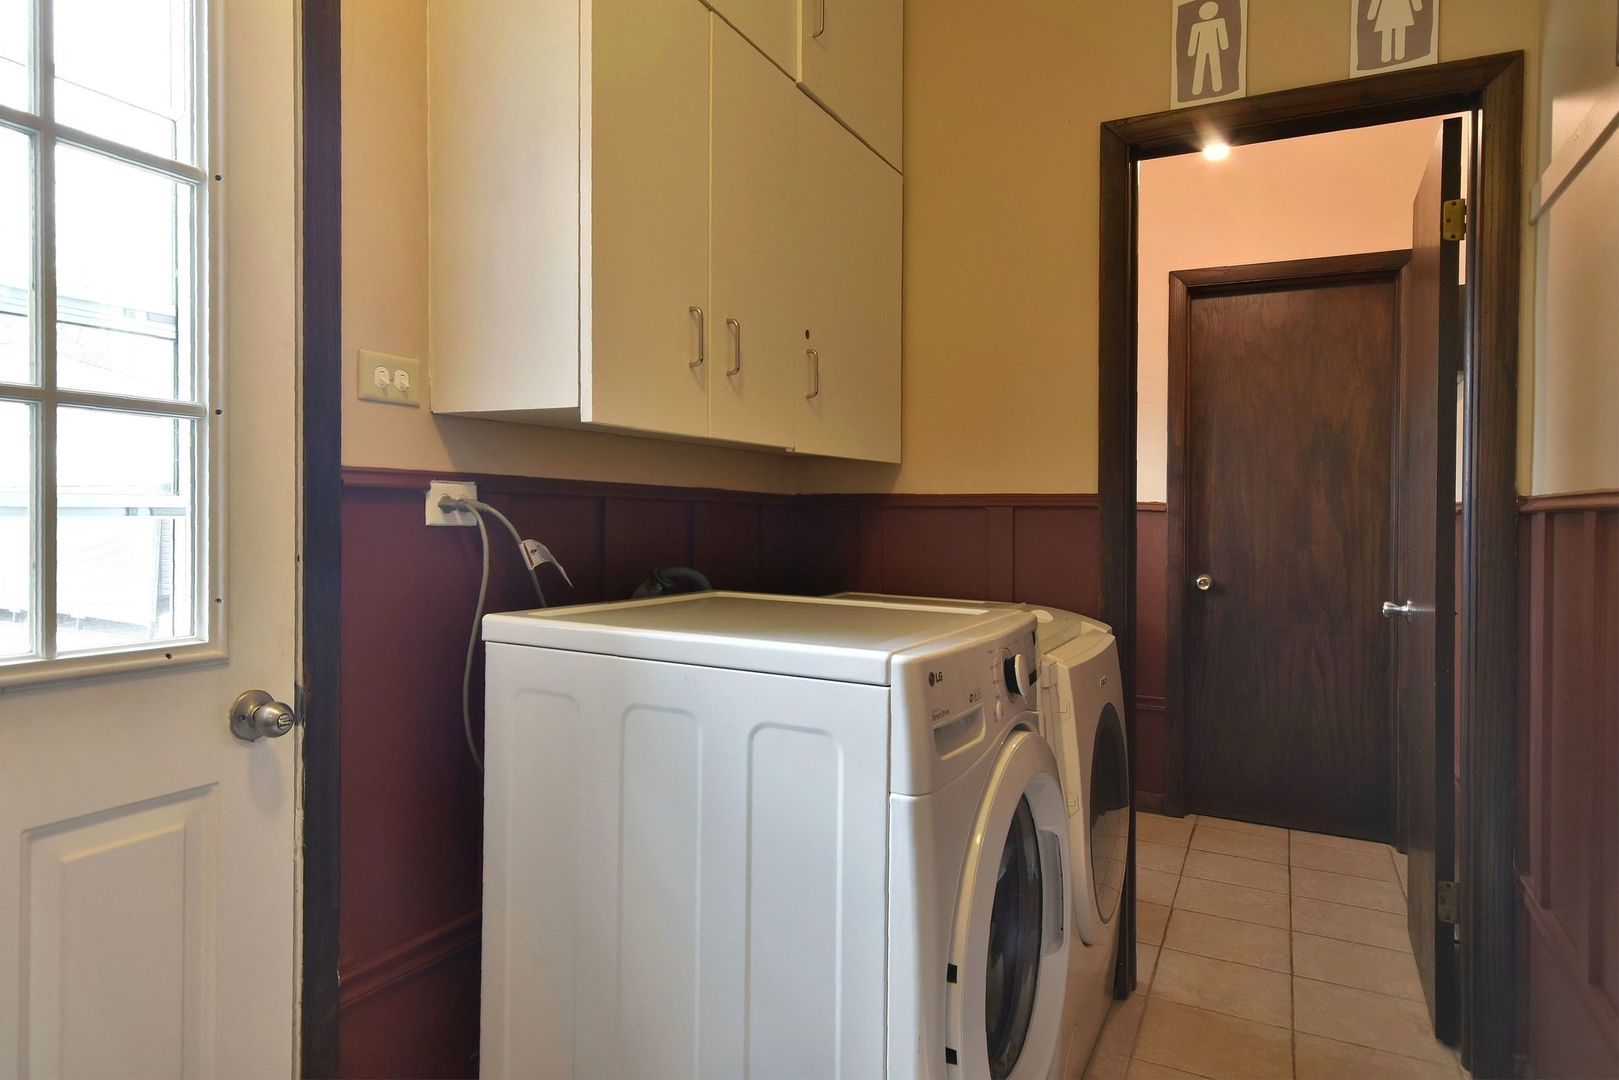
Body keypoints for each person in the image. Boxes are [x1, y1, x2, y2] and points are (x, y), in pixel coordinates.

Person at [1187, 1, 1229, 97]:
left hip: (1213, 46)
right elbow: (1193, 39)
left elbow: (1222, 35)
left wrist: (1224, 45)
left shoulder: (1219, 22)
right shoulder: (1197, 26)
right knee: (1200, 65)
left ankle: (1217, 86)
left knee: (1215, 64)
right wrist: (1191, 51)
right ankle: (1197, 89)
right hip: (1201, 48)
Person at [1368, 0, 1422, 64]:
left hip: (1400, 10)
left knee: (1398, 32)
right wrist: (1372, 13)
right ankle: (1387, 55)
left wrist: (1417, 5)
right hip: (1386, 11)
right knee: (1387, 33)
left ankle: (1398, 54)